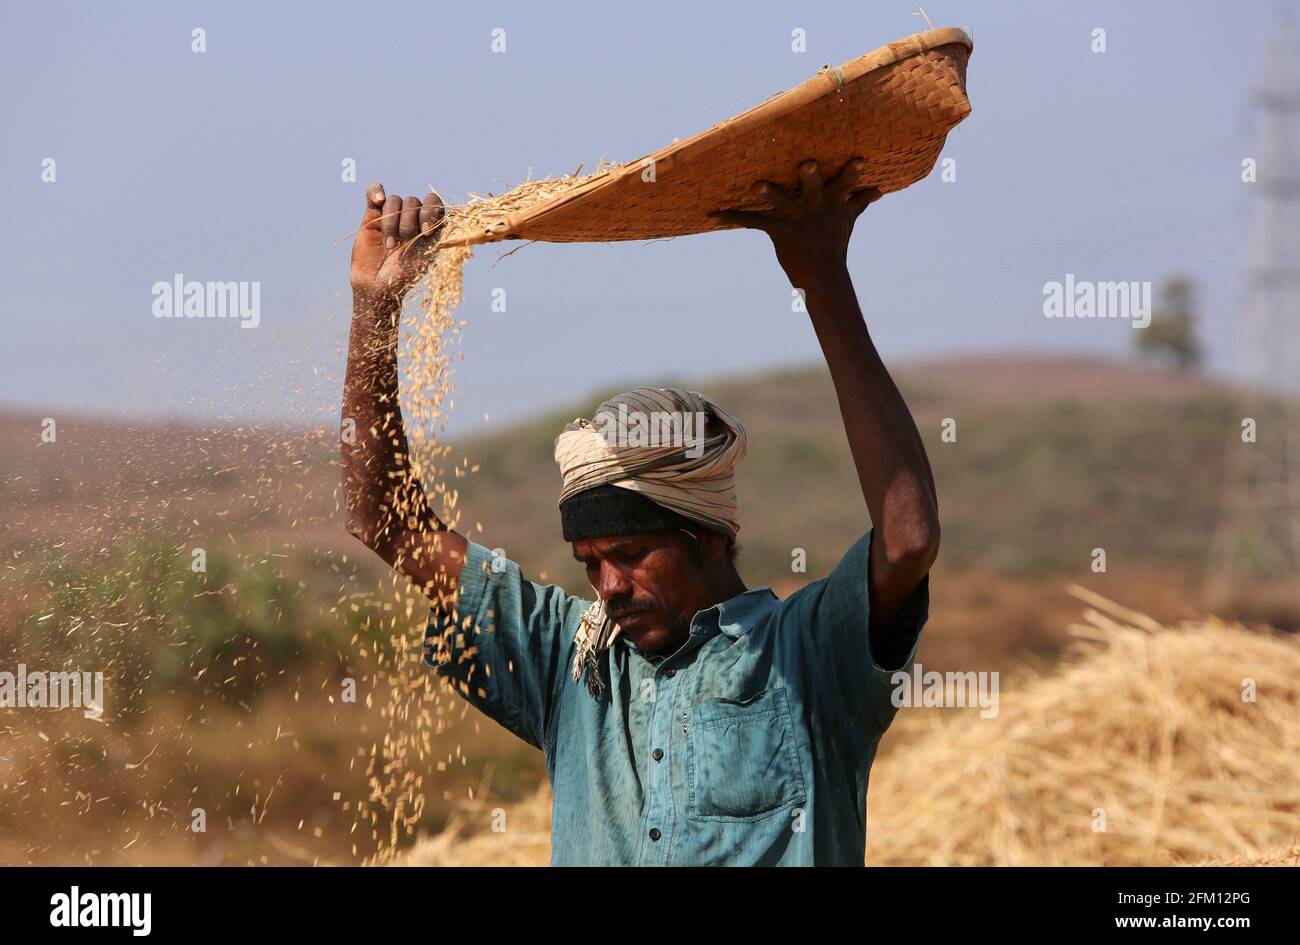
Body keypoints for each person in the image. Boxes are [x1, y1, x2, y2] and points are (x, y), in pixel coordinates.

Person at [342, 158, 939, 865]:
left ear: (711, 536)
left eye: (630, 554)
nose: (610, 587)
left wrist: (822, 279)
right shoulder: (572, 665)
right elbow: (384, 520)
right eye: (590, 565)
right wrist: (375, 311)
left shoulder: (808, 656)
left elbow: (905, 540)